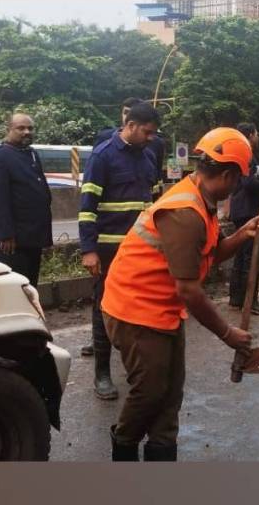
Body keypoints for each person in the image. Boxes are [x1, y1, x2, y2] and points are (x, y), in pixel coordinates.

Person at [101, 127, 259, 461]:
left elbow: (209, 253)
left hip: (162, 311)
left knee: (168, 397)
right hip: (135, 311)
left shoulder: (200, 198)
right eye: (238, 181)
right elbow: (190, 290)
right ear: (226, 175)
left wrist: (244, 233)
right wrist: (227, 334)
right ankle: (123, 448)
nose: (238, 189)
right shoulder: (186, 212)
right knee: (149, 393)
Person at [78, 102, 161, 400]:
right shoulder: (102, 156)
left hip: (139, 250)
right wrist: (89, 250)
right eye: (148, 132)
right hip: (109, 249)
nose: (152, 138)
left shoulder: (148, 157)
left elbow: (154, 202)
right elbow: (87, 209)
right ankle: (102, 373)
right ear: (132, 125)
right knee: (104, 308)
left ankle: (133, 366)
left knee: (137, 309)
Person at [0, 113, 53, 286]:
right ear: (9, 129)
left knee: (31, 285)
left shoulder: (32, 154)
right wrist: (6, 234)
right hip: (13, 240)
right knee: (16, 287)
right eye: (21, 128)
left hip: (33, 235)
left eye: (30, 128)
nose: (27, 132)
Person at [228, 122, 259, 314]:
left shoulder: (238, 152)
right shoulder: (246, 153)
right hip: (248, 211)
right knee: (250, 257)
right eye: (257, 133)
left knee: (240, 256)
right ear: (249, 135)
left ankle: (236, 298)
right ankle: (251, 302)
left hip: (239, 209)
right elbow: (249, 182)